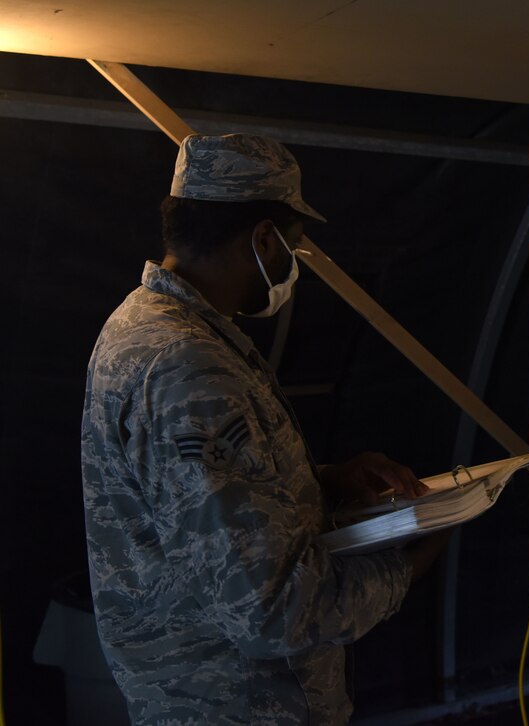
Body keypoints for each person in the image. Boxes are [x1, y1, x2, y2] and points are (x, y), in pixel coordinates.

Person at [81, 133, 450, 725]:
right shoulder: (187, 364)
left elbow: (193, 499)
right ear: (262, 240)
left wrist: (322, 481)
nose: (290, 265)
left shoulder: (143, 326)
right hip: (243, 705)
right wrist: (407, 565)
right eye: (292, 248)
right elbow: (272, 610)